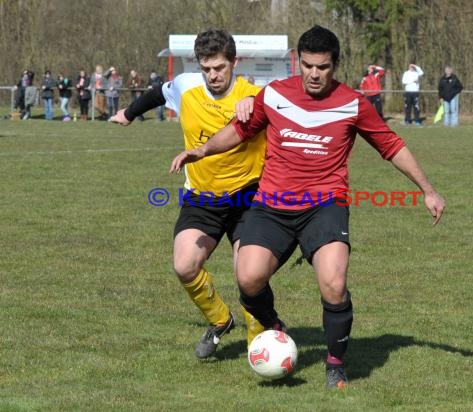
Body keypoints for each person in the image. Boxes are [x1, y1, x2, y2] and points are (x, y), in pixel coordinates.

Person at [169, 25, 446, 389]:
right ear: (299, 62)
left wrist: (427, 189)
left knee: (333, 283)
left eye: (323, 67)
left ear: (335, 65)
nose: (315, 74)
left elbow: (391, 145)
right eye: (308, 65)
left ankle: (335, 363)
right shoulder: (275, 94)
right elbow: (240, 130)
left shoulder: (352, 103)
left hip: (325, 205)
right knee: (248, 277)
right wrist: (202, 150)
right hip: (272, 204)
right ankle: (275, 327)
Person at [109, 28, 265, 358]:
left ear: (234, 62)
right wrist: (128, 113)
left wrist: (256, 102)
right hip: (201, 197)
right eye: (206, 69)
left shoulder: (254, 97)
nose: (213, 76)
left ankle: (260, 335)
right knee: (184, 266)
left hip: (247, 196)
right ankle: (221, 320)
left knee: (248, 273)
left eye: (220, 68)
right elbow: (157, 93)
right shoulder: (186, 86)